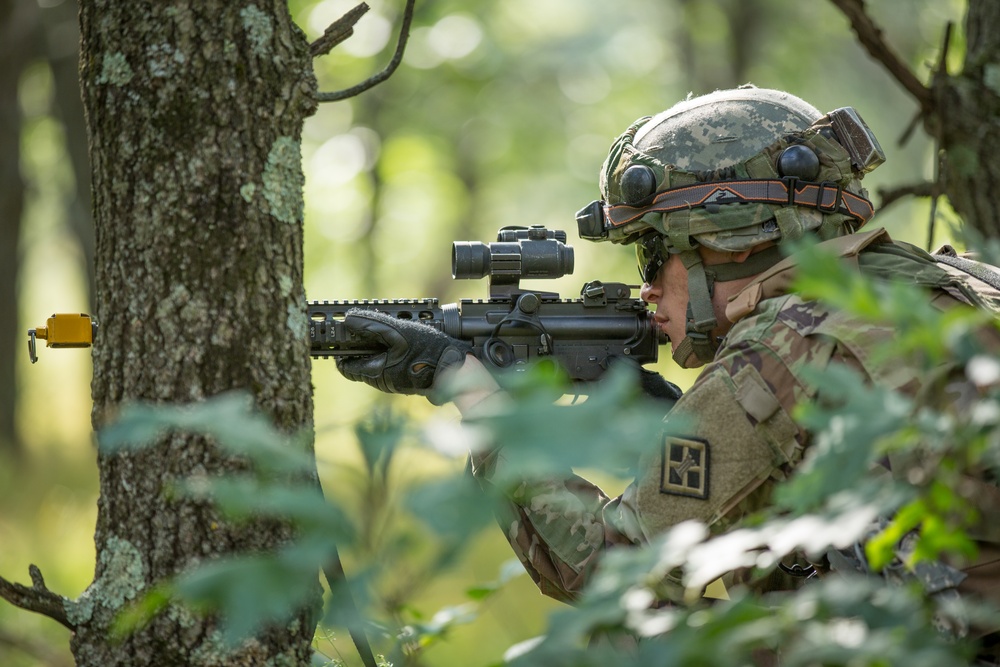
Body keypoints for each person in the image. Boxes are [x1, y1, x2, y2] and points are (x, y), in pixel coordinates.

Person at [335, 85, 1000, 648]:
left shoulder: (787, 345)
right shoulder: (958, 283)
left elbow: (615, 568)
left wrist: (477, 401)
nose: (647, 286)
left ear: (731, 238)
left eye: (655, 254)